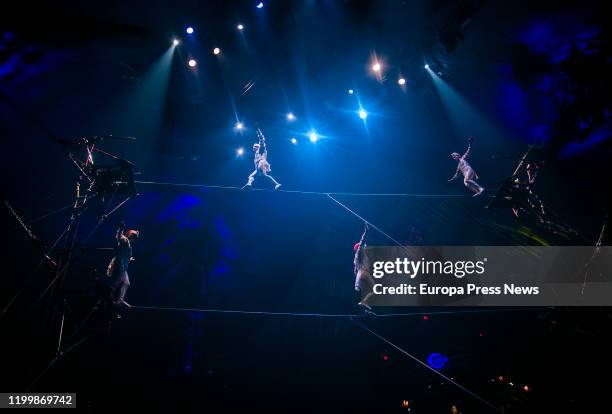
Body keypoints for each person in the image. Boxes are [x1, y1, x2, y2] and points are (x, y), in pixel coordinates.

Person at [106, 221, 139, 309]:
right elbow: (118, 236)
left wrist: (129, 259)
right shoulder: (125, 240)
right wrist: (121, 228)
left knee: (126, 283)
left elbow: (125, 255)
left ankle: (119, 300)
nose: (134, 240)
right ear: (131, 236)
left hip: (123, 266)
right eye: (134, 238)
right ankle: (109, 299)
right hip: (119, 265)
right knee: (117, 282)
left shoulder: (128, 244)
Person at [354, 222, 375, 313]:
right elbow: (362, 241)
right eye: (363, 246)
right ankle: (362, 302)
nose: (365, 245)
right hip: (362, 272)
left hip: (363, 274)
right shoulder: (359, 254)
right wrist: (366, 232)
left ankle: (364, 303)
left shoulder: (365, 256)